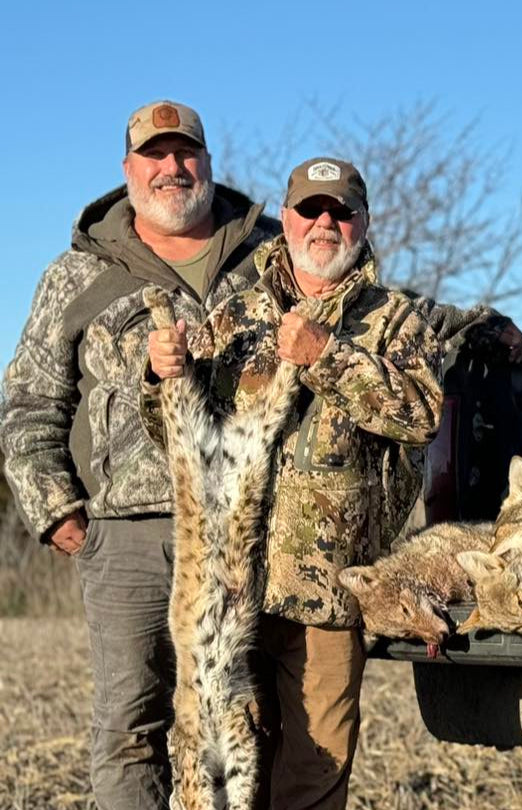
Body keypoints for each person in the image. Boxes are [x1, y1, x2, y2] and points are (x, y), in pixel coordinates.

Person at [0, 100, 280, 809]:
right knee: (131, 727)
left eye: (185, 153)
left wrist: (467, 325)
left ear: (209, 163)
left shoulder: (271, 256)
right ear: (129, 169)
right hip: (130, 536)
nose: (172, 168)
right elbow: (30, 402)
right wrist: (58, 510)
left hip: (255, 531)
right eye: (154, 155)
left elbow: (355, 311)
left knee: (254, 724)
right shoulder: (74, 275)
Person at [146, 157, 442, 807]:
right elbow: (180, 437)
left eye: (341, 211)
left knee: (314, 768)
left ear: (363, 224)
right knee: (232, 768)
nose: (325, 223)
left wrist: (327, 355)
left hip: (329, 596)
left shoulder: (396, 321)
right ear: (286, 220)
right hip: (231, 590)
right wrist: (162, 377)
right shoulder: (234, 315)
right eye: (312, 209)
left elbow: (421, 416)